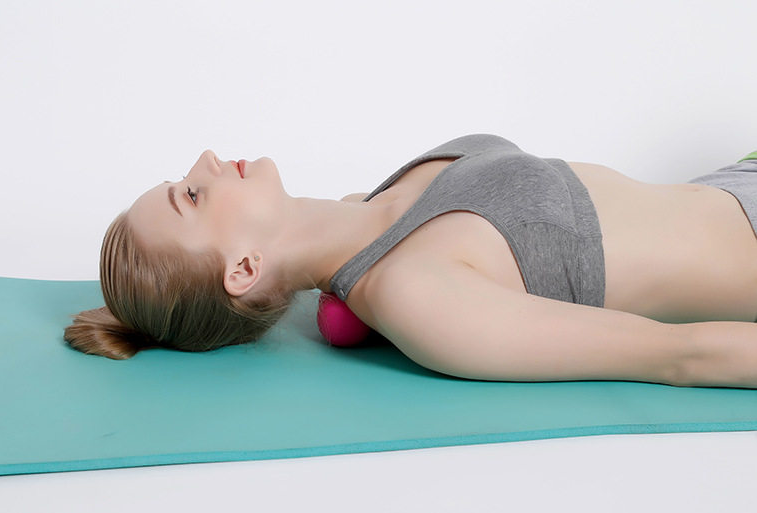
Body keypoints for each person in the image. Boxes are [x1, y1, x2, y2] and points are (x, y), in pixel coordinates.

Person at [64, 134, 757, 389]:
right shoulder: (418, 297)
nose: (206, 159)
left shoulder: (364, 210)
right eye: (191, 195)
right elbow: (678, 355)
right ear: (243, 269)